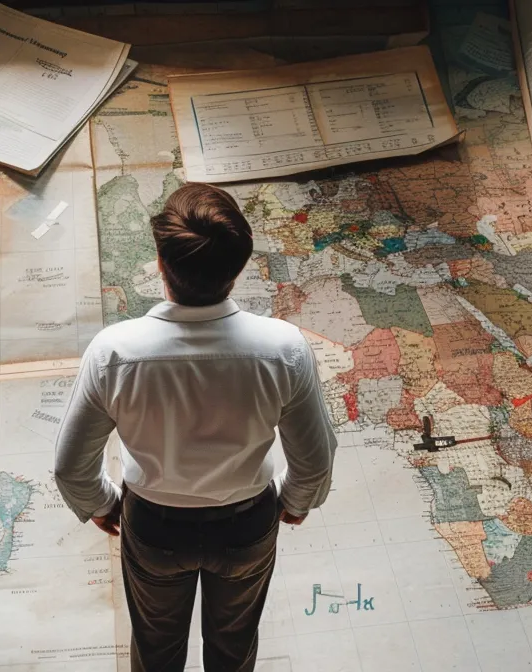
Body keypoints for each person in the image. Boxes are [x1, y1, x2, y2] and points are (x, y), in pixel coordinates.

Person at [52, 183, 338, 672]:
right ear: (238, 266)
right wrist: (293, 502)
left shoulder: (114, 352)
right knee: (234, 647)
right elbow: (314, 460)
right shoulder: (283, 348)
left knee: (156, 650)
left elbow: (70, 467)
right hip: (248, 524)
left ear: (162, 264)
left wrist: (101, 505)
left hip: (153, 526)